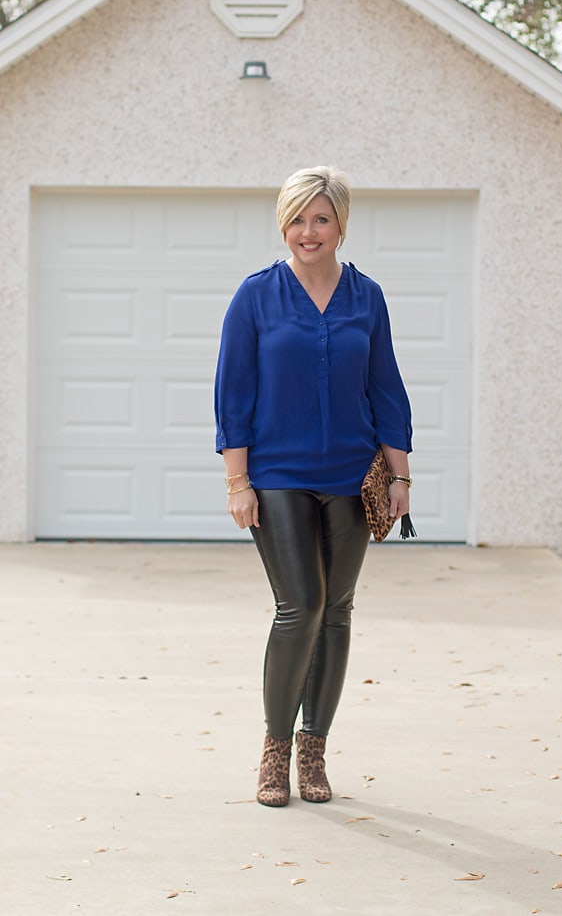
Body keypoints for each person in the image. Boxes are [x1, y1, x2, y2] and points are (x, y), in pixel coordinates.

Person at [214, 166, 412, 807]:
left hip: (352, 475)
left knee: (337, 612)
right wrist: (237, 480)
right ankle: (274, 751)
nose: (308, 231)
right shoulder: (256, 296)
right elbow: (234, 392)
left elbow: (385, 386)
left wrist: (400, 472)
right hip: (277, 476)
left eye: (321, 218)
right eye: (297, 219)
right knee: (299, 607)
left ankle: (314, 751)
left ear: (340, 225)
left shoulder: (367, 297)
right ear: (284, 225)